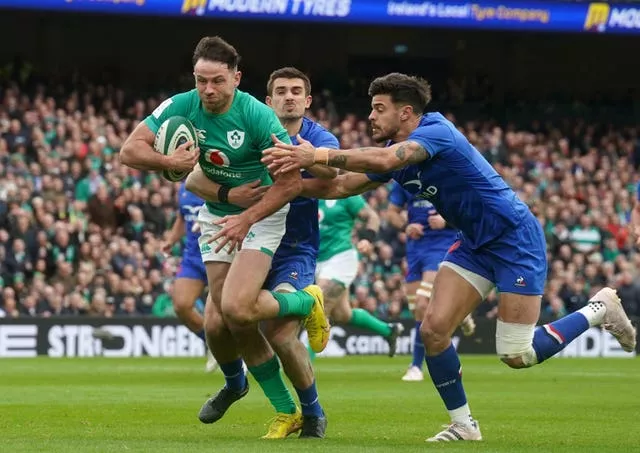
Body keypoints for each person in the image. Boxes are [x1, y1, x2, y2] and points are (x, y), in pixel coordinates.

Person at [262, 72, 637, 442]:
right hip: (474, 243)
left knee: (517, 355)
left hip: (514, 240)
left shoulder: (435, 132)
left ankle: (599, 308)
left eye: (379, 109)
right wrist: (279, 185)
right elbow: (341, 186)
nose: (371, 117)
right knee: (432, 330)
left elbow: (387, 159)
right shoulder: (396, 154)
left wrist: (319, 153)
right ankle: (464, 425)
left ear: (406, 113)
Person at [119, 36, 330, 439]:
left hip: (263, 215)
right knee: (218, 325)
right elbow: (130, 151)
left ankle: (307, 302)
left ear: (237, 77)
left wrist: (246, 216)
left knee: (237, 309)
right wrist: (168, 162)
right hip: (217, 217)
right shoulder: (182, 105)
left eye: (216, 81)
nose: (208, 90)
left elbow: (288, 186)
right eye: (201, 80)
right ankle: (261, 397)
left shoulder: (257, 116)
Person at [186, 66, 336, 438]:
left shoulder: (317, 139)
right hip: (245, 240)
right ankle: (236, 383)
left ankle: (311, 412)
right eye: (281, 91)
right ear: (267, 102)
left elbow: (334, 174)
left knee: (281, 335)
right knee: (218, 323)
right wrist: (226, 194)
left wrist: (305, 159)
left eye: (296, 91)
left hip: (292, 249)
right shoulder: (248, 130)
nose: (289, 97)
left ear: (307, 100)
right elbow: (193, 177)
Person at [387, 181, 475, 381]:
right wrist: (406, 225)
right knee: (419, 310)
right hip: (415, 248)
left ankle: (416, 366)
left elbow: (469, 211)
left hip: (443, 245)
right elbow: (391, 212)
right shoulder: (404, 179)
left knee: (422, 302)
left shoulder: (444, 176)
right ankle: (458, 314)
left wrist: (446, 221)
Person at [316, 195, 404, 355]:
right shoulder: (309, 190)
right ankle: (389, 330)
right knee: (342, 314)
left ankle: (304, 376)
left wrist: (367, 239)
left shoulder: (344, 193)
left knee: (318, 306)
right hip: (314, 258)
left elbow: (373, 216)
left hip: (340, 257)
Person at [161, 182, 217, 372]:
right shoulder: (184, 187)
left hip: (220, 254)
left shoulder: (217, 179)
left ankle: (244, 353)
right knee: (181, 305)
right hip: (193, 258)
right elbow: (182, 216)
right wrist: (171, 240)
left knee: (229, 310)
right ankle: (214, 344)